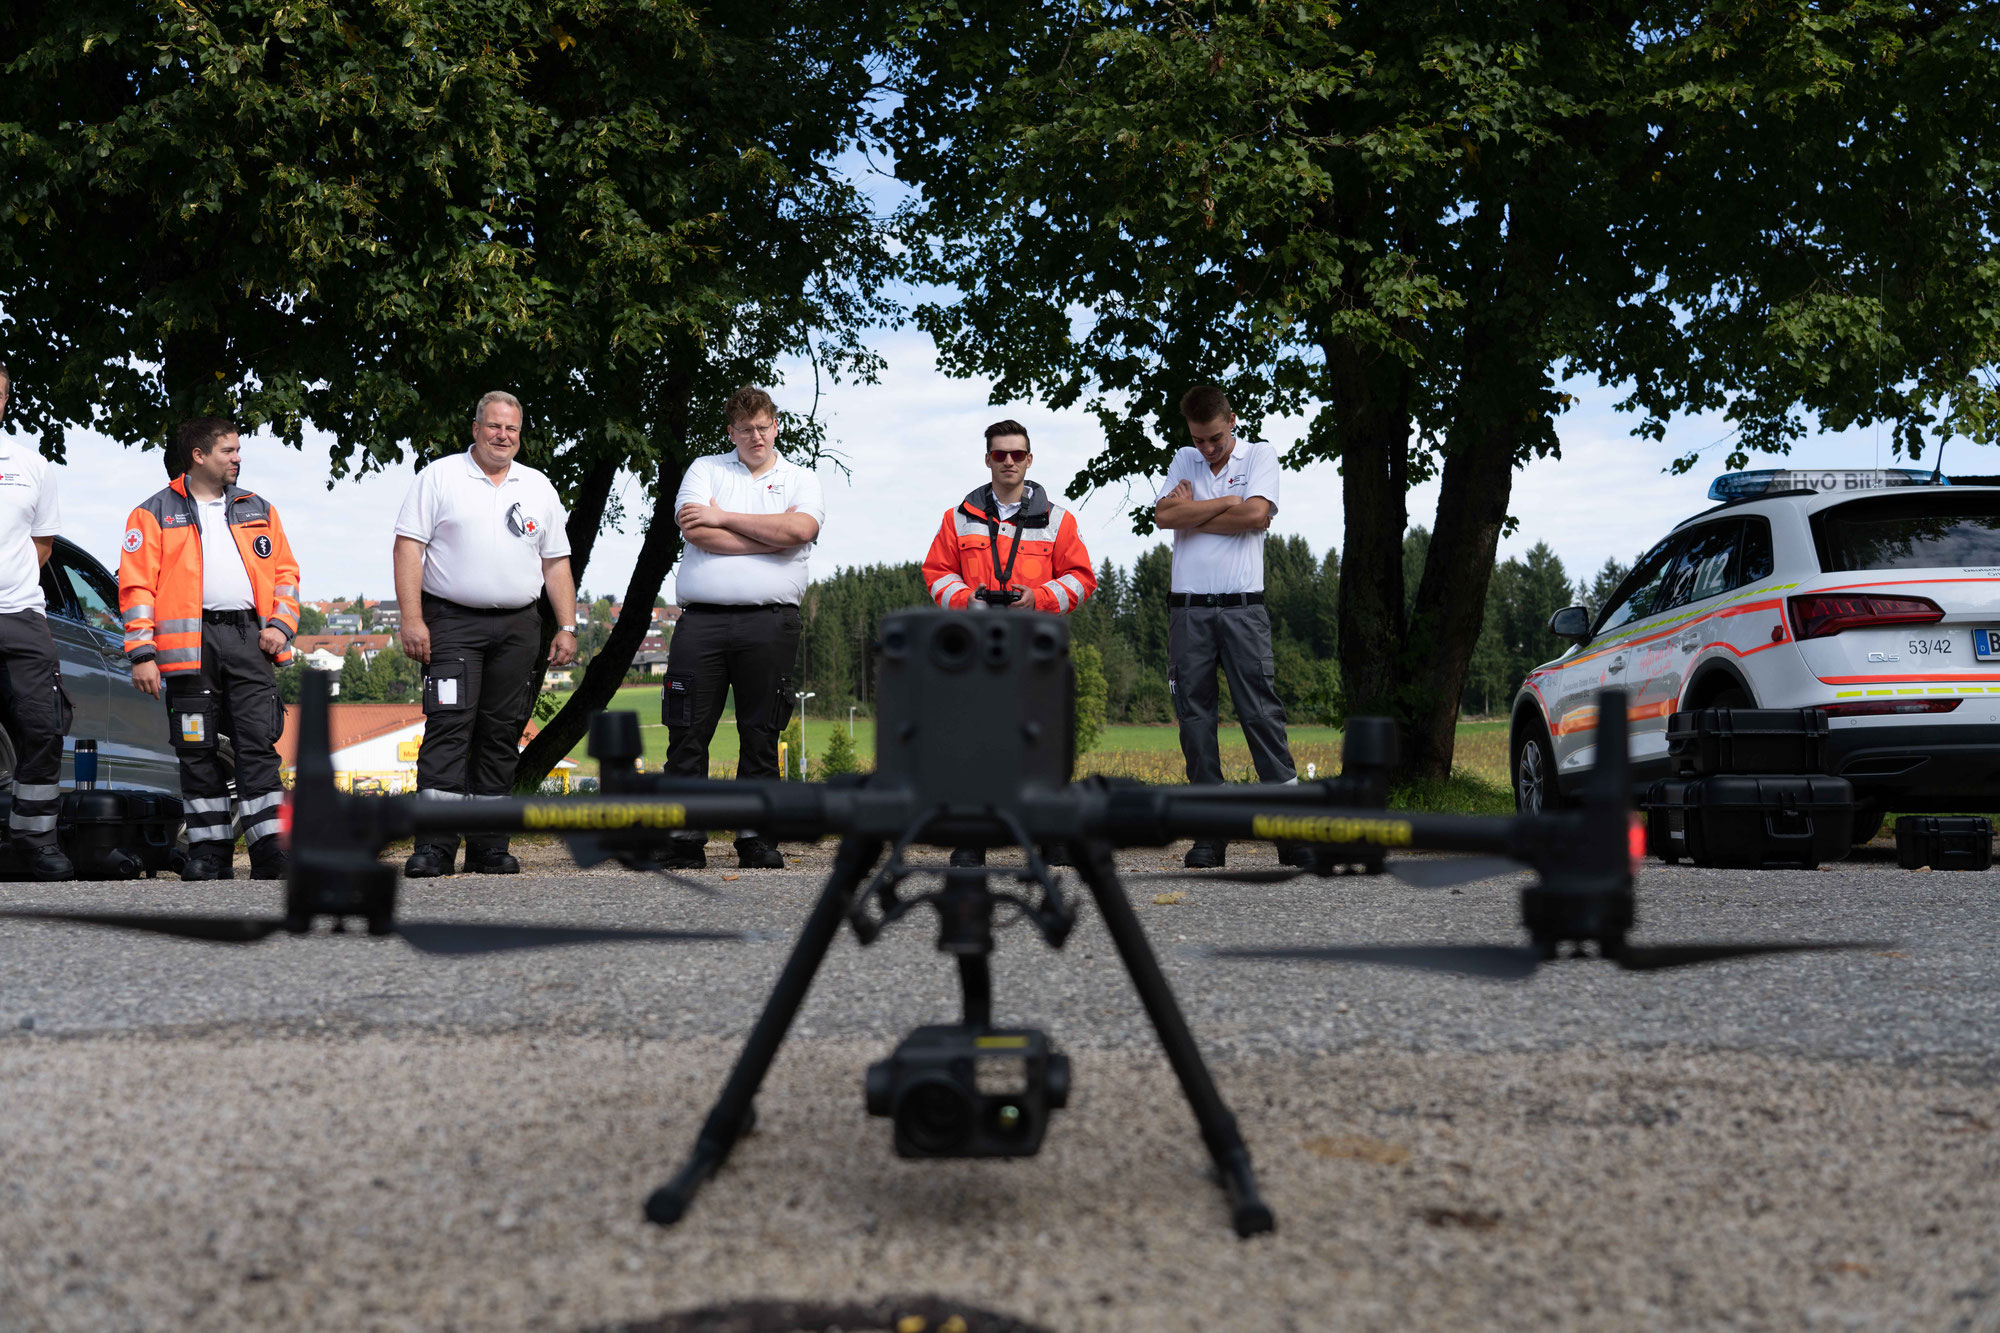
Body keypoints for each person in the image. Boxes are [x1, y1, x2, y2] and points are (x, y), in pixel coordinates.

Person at [394, 391, 577, 877]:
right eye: (494, 426)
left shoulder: (537, 486)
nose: (503, 436)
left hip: (520, 626)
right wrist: (411, 619)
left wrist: (568, 625)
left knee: (500, 734)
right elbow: (408, 548)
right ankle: (434, 846)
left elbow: (556, 562)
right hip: (452, 621)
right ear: (475, 428)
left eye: (512, 429)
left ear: (520, 435)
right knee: (449, 729)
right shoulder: (440, 476)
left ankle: (490, 845)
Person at [120, 417, 301, 880]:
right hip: (188, 648)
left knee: (257, 746)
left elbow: (285, 574)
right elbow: (137, 587)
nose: (237, 458)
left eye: (237, 450)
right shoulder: (152, 513)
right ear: (199, 456)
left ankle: (271, 852)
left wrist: (280, 626)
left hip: (249, 642)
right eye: (228, 451)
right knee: (197, 750)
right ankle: (209, 853)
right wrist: (142, 653)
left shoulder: (258, 507)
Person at [659, 386, 824, 871]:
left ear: (776, 426)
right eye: (746, 428)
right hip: (702, 623)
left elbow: (801, 531)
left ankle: (756, 837)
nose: (756, 435)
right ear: (731, 431)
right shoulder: (705, 469)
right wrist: (770, 538)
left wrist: (725, 517)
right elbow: (695, 529)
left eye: (764, 426)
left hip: (770, 623)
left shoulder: (800, 478)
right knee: (686, 729)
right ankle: (685, 838)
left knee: (761, 730)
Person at [923, 418, 1096, 867]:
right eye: (1000, 454)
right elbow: (936, 573)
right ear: (987, 460)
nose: (1008, 462)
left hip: (1034, 646)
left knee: (1040, 741)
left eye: (1017, 454)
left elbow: (1081, 579)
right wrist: (968, 600)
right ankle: (972, 835)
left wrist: (1036, 598)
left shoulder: (1059, 520)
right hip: (975, 647)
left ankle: (1050, 833)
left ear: (1029, 460)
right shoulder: (957, 518)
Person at [1152, 384, 1306, 870]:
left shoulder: (1261, 455)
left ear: (1232, 421)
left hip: (1243, 610)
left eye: (1215, 439)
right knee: (1195, 721)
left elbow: (1257, 514)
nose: (1207, 449)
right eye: (1199, 440)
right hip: (1188, 611)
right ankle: (1210, 834)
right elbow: (1162, 516)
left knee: (1261, 715)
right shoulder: (1183, 460)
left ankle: (1291, 830)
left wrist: (1194, 512)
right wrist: (1227, 505)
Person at [0, 363, 74, 880]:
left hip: (21, 614)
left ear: (6, 401)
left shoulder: (32, 466)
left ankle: (34, 839)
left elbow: (42, 545)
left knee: (44, 726)